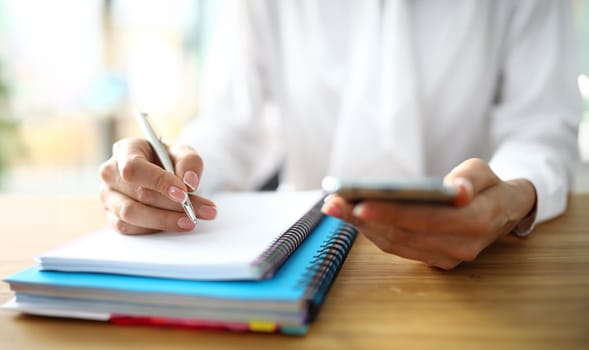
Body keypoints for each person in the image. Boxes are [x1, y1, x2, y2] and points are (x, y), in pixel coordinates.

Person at [99, 1, 583, 270]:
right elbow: (233, 127)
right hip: (299, 250)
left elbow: (542, 129)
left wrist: (514, 195)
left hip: (475, 264)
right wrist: (167, 175)